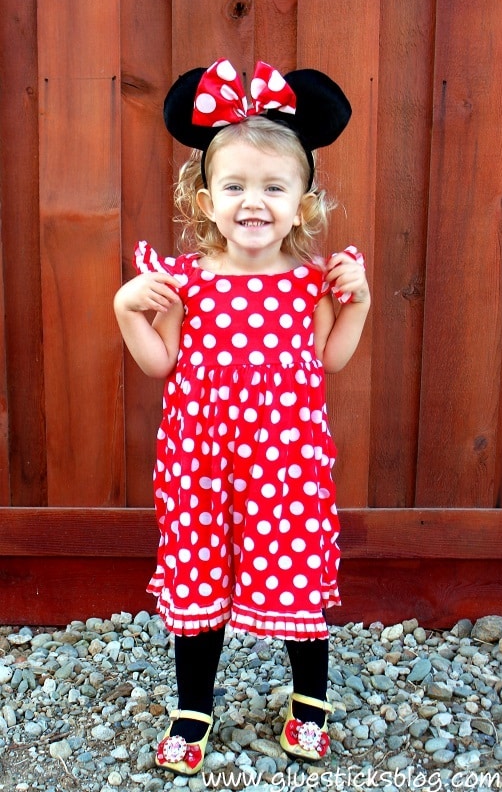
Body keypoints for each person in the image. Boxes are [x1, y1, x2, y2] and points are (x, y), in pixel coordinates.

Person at [114, 58, 370, 775]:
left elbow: (330, 360)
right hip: (199, 467)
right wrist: (125, 309)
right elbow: (158, 365)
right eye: (233, 186)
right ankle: (192, 708)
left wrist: (360, 305)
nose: (251, 202)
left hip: (285, 469)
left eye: (272, 187)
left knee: (295, 581)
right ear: (203, 198)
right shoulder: (185, 282)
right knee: (198, 577)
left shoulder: (307, 284)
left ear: (302, 202)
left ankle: (308, 703)